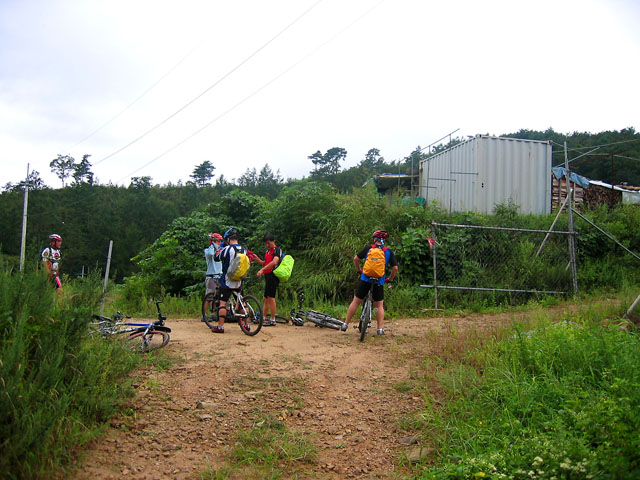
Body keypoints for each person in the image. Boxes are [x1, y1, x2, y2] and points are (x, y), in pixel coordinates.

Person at [343, 230, 398, 335]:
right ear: (384, 240)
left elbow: (356, 259)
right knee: (379, 306)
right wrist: (390, 279)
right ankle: (379, 329)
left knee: (356, 301)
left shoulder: (368, 248)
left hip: (365, 279)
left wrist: (359, 270)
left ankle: (345, 324)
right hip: (379, 281)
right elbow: (395, 268)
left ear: (374, 239)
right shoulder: (388, 252)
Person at [212, 227, 248, 333]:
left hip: (227, 280)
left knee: (222, 303)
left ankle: (220, 327)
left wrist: (220, 248)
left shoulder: (227, 249)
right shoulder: (244, 249)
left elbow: (216, 257)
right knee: (242, 303)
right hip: (239, 280)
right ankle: (247, 325)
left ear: (228, 239)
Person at [250, 233, 282, 327]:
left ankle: (273, 319)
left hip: (273, 275)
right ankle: (263, 317)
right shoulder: (267, 252)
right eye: (266, 243)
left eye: (269, 243)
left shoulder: (277, 250)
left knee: (271, 298)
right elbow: (265, 263)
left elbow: (274, 262)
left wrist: (262, 270)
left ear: (273, 241)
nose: (267, 245)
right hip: (267, 275)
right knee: (266, 298)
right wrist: (257, 259)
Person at [203, 232, 223, 322]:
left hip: (219, 275)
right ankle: (204, 315)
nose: (219, 243)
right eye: (218, 241)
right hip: (211, 276)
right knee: (209, 297)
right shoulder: (208, 250)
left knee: (217, 297)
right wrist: (212, 245)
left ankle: (213, 314)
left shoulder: (220, 251)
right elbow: (211, 254)